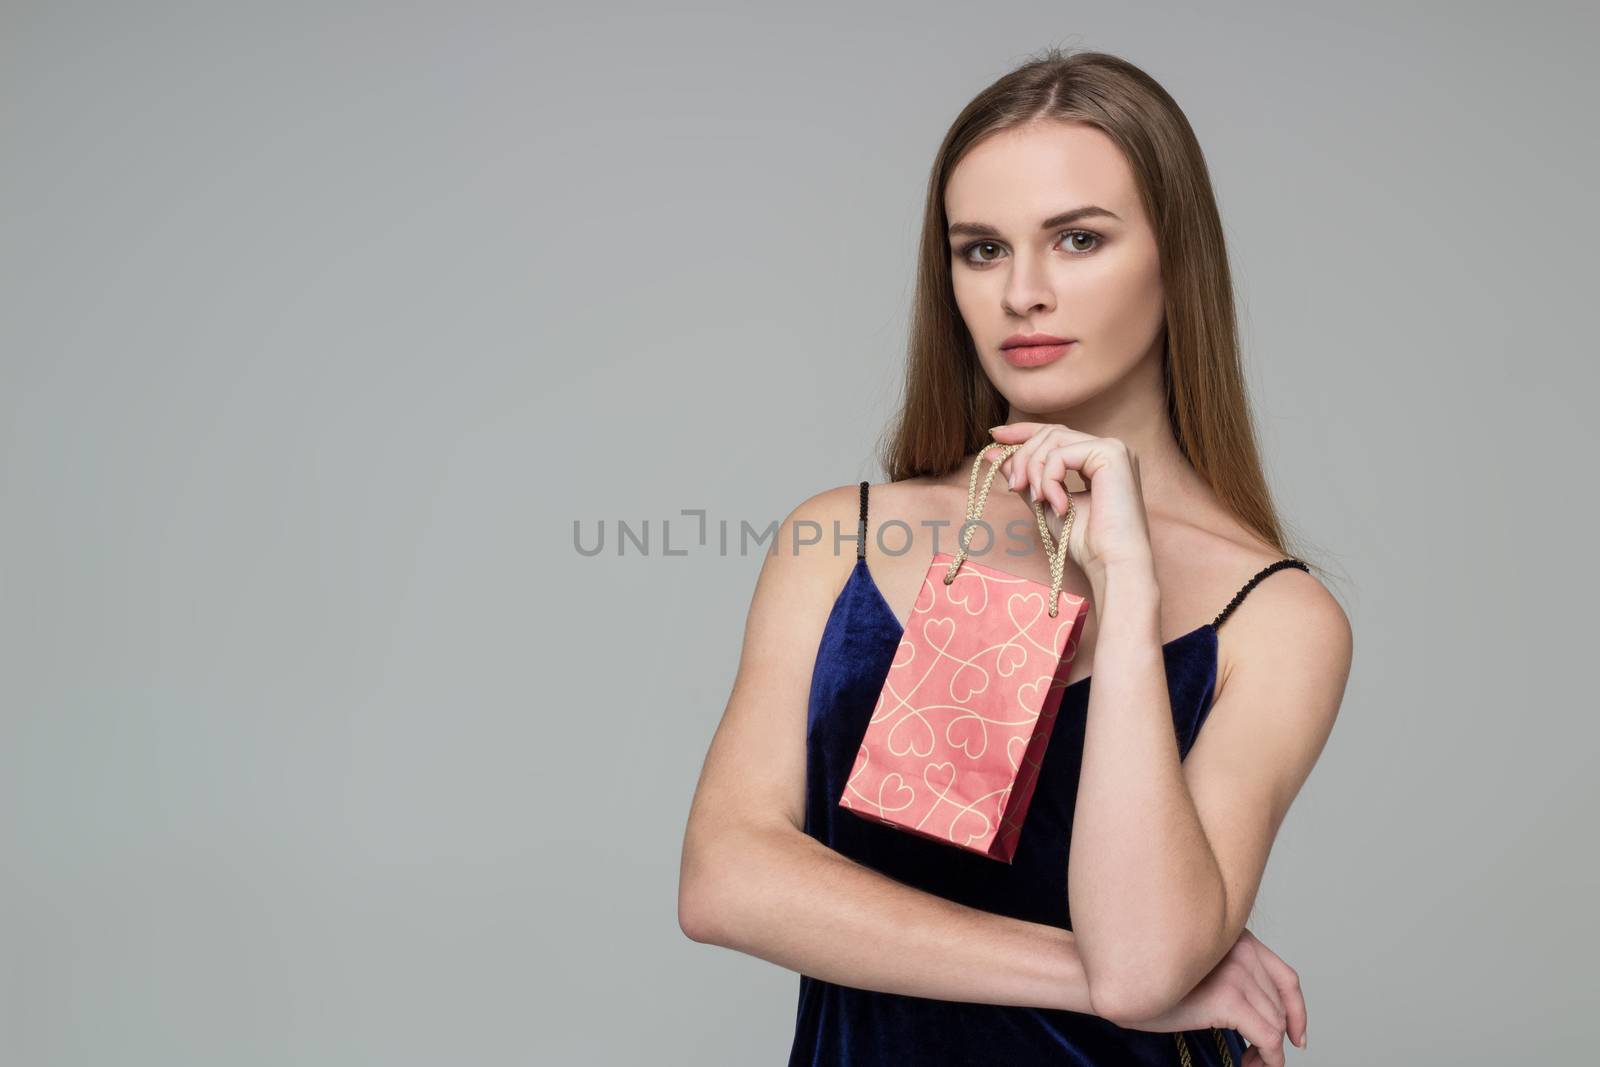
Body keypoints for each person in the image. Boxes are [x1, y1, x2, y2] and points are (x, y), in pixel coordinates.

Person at [678, 47, 1350, 1067]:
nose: (1022, 292)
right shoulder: (842, 538)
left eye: (1077, 239)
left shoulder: (1275, 615)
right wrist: (1111, 971)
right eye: (981, 249)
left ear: (1177, 258)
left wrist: (1126, 590)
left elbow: (1141, 965)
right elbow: (725, 879)